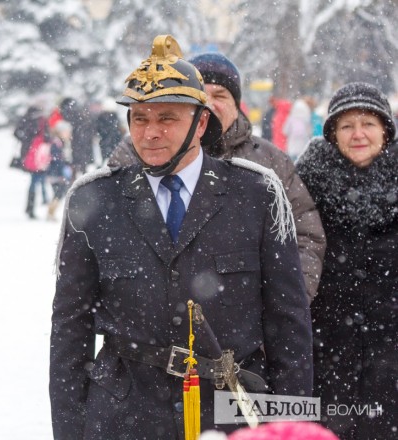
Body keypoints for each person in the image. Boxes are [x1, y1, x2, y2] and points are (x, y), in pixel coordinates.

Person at [50, 35, 313, 439]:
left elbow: (289, 326)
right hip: (125, 414)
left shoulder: (257, 194)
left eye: (167, 118)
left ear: (201, 122)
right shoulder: (94, 199)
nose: (150, 133)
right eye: (140, 118)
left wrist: (290, 429)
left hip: (232, 410)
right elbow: (70, 330)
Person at [110, 52, 326, 303]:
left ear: (237, 105)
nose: (209, 102)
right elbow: (106, 236)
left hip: (242, 313)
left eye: (220, 95)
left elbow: (304, 235)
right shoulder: (139, 153)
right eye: (201, 94)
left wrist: (285, 303)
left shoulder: (270, 161)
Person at [296, 82, 397, 440]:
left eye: (368, 123)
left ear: (385, 131)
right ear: (332, 134)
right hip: (325, 342)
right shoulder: (304, 184)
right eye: (346, 125)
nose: (358, 134)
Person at [14, 103, 50, 219]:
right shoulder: (42, 120)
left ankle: (30, 206)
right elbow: (47, 137)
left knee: (34, 180)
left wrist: (26, 140)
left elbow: (17, 133)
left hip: (27, 154)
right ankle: (35, 205)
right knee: (37, 179)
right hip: (39, 155)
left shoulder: (25, 119)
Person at [46, 120, 72, 221]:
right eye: (67, 132)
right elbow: (56, 159)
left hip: (58, 172)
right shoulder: (56, 143)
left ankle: (51, 212)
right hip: (55, 173)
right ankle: (50, 213)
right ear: (61, 132)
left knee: (59, 194)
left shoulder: (63, 143)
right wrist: (62, 170)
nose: (69, 134)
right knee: (58, 193)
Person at [95, 97, 124, 163]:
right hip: (112, 142)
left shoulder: (102, 117)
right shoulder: (114, 117)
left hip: (108, 142)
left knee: (108, 159)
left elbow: (99, 130)